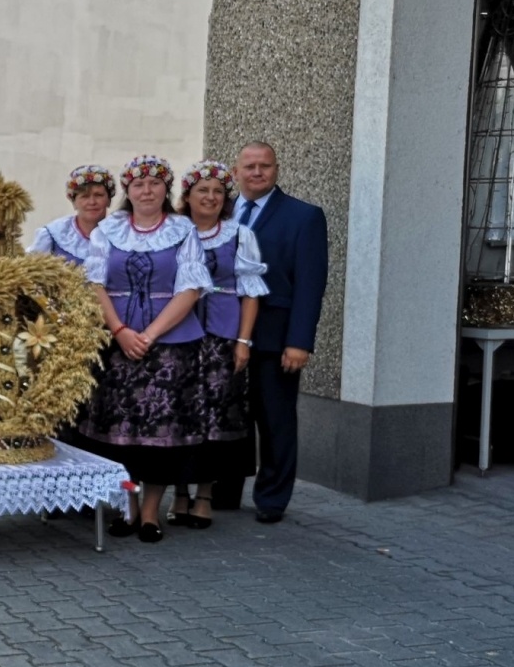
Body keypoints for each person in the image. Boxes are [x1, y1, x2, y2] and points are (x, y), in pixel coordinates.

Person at [75, 155, 211, 543]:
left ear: (165, 190)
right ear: (128, 191)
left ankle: (150, 512)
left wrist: (148, 335)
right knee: (119, 431)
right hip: (117, 341)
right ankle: (128, 506)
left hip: (170, 344)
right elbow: (93, 284)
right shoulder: (109, 229)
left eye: (154, 184)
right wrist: (119, 330)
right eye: (138, 185)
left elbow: (190, 288)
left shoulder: (183, 230)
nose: (146, 190)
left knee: (160, 432)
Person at [229, 142, 328, 523]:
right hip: (225, 331)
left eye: (265, 166)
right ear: (236, 172)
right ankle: (224, 489)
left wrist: (299, 341)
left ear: (277, 170)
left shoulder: (304, 217)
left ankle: (272, 498)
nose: (257, 172)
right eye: (249, 166)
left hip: (276, 336)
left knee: (274, 418)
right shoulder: (221, 213)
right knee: (229, 417)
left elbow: (310, 284)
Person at [167, 160, 267, 529]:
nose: (209, 197)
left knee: (214, 417)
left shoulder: (239, 235)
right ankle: (178, 494)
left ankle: (205, 495)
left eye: (217, 191)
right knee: (178, 412)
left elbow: (250, 292)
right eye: (201, 190)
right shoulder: (173, 231)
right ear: (187, 195)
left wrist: (243, 340)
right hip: (178, 333)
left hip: (222, 337)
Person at [30, 165, 115, 266]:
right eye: (84, 196)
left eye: (98, 195)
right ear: (74, 203)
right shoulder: (54, 235)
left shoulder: (121, 235)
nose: (92, 202)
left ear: (109, 200)